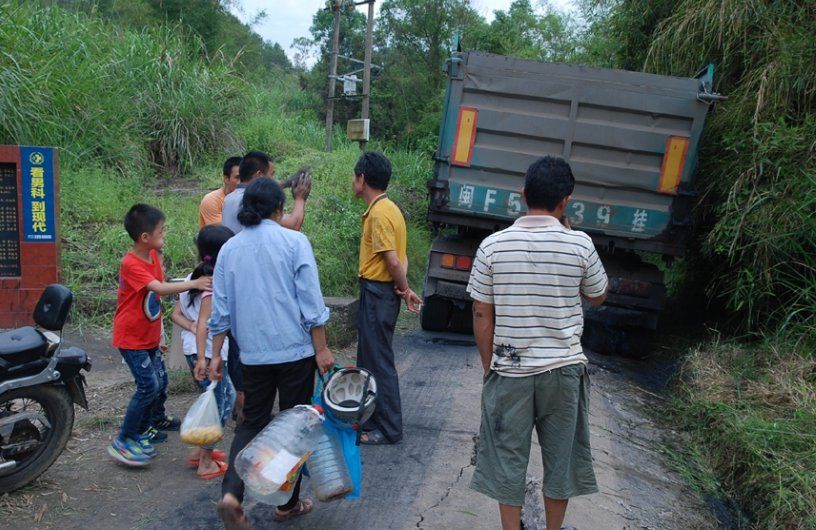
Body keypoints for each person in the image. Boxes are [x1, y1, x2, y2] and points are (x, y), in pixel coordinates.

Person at [466, 156, 609, 530]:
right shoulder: (579, 244)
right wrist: (571, 235)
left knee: (506, 461)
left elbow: (482, 313)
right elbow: (598, 296)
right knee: (560, 462)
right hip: (563, 373)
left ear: (523, 195)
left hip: (509, 371)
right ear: (566, 202)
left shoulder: (492, 246)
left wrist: (490, 367)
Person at [207, 178, 335, 528]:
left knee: (251, 424)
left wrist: (215, 355)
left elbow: (220, 312)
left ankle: (232, 494)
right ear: (279, 209)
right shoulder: (294, 242)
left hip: (252, 354)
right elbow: (311, 303)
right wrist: (321, 349)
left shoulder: (230, 250)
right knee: (294, 424)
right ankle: (286, 504)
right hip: (294, 352)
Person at [108, 204, 212, 467]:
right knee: (148, 386)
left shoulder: (153, 255)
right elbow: (158, 288)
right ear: (145, 237)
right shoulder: (130, 263)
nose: (164, 233)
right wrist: (194, 283)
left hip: (150, 332)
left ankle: (150, 424)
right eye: (161, 230)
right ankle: (125, 438)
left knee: (160, 381)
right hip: (131, 337)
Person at [220, 151, 312, 423]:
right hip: (274, 323)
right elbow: (293, 226)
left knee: (246, 376)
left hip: (244, 310)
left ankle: (247, 421)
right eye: (272, 175)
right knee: (293, 416)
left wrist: (282, 185)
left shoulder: (230, 200)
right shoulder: (291, 242)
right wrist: (298, 199)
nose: (275, 180)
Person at [351, 151, 421, 446]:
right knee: (370, 358)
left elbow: (392, 262)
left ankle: (389, 429)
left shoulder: (379, 214)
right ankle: (373, 419)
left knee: (378, 361)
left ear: (363, 179)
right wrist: (404, 287)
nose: (353, 182)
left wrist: (403, 290)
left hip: (378, 293)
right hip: (382, 292)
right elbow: (401, 260)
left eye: (354, 177)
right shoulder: (391, 209)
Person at [171, 224, 236, 480]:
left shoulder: (192, 278)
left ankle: (201, 451)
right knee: (222, 402)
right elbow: (204, 325)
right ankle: (206, 461)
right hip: (208, 352)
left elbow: (177, 314)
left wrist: (191, 327)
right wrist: (202, 358)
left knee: (219, 398)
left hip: (197, 350)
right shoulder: (211, 284)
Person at [221, 151, 311, 235]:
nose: (273, 179)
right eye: (271, 175)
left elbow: (268, 186)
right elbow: (293, 225)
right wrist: (300, 198)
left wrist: (287, 183)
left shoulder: (229, 198)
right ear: (259, 175)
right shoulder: (252, 200)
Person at [198, 156, 242, 228]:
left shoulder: (249, 198)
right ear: (226, 179)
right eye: (237, 177)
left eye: (244, 177)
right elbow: (223, 232)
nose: (241, 182)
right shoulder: (211, 200)